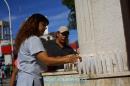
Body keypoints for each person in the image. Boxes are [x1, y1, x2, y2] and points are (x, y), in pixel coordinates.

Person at [14, 13, 80, 86]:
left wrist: (64, 57)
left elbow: (38, 61)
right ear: (35, 24)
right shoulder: (34, 39)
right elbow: (46, 60)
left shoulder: (27, 39)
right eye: (43, 25)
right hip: (31, 80)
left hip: (25, 80)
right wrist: (68, 59)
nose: (45, 28)